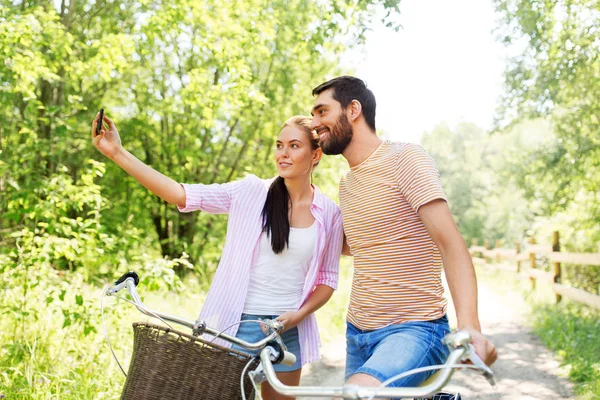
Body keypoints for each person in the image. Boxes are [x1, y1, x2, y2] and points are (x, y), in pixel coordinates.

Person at [91, 113, 343, 399]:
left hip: (287, 330)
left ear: (316, 155)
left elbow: (327, 279)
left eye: (294, 146)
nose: (283, 153)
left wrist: (296, 317)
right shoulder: (251, 192)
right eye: (279, 145)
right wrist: (117, 153)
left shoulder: (329, 213)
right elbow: (179, 194)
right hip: (237, 325)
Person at [309, 76, 497, 389]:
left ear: (353, 109)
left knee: (355, 396)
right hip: (358, 334)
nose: (314, 123)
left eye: (321, 112)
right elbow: (356, 245)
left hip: (415, 330)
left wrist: (470, 327)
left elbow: (450, 244)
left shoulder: (404, 159)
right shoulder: (348, 183)